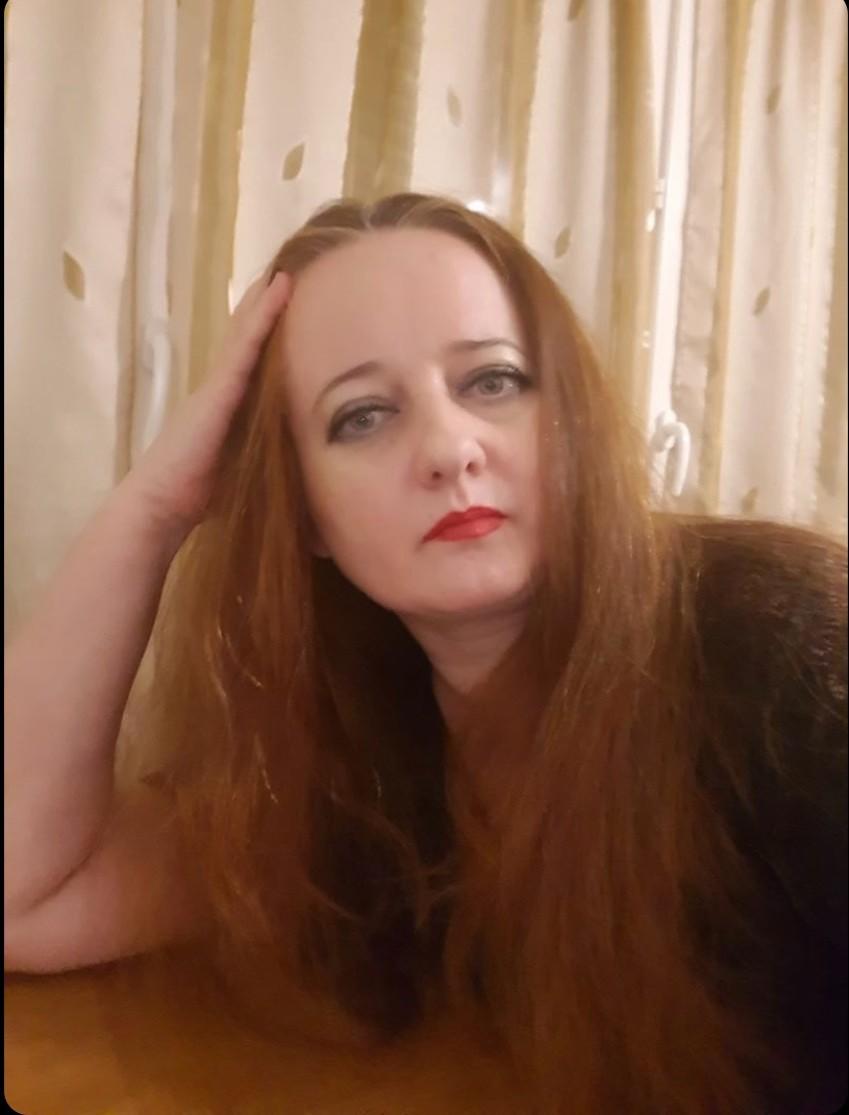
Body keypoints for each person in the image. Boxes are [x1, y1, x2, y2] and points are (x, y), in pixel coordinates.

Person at [5, 193, 846, 1114]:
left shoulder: (779, 659)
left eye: (493, 381)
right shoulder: (357, 762)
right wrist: (155, 506)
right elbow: (23, 897)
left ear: (567, 419)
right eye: (362, 416)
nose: (449, 449)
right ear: (306, 517)